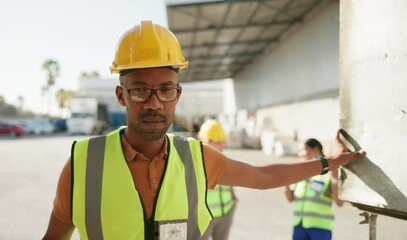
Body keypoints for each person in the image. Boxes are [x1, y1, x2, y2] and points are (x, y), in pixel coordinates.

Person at [42, 20, 365, 240]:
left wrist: (328, 163)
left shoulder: (196, 157)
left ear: (177, 95)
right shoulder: (84, 164)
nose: (154, 103)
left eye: (166, 90)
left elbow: (264, 177)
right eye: (140, 90)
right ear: (120, 95)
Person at [284, 139, 344, 240]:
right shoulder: (299, 173)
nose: (300, 154)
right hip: (300, 226)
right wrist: (285, 183)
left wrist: (334, 179)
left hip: (320, 228)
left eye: (303, 150)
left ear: (316, 150)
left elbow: (339, 202)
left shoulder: (330, 172)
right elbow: (291, 199)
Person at [197, 119, 237, 240]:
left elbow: (228, 181)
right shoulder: (196, 162)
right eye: (219, 142)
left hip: (226, 211)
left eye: (223, 142)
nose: (223, 145)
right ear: (207, 141)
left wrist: (233, 196)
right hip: (204, 216)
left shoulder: (223, 159)